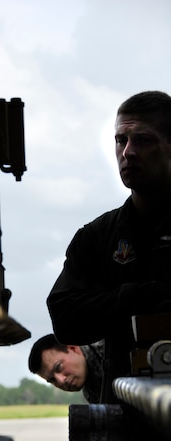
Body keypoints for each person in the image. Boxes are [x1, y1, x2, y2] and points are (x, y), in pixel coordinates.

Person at [47, 90, 171, 403]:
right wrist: (138, 296)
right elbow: (65, 318)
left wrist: (107, 303)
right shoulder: (97, 236)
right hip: (125, 418)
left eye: (143, 140)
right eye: (121, 140)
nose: (128, 152)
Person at [28, 334, 104, 403]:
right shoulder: (92, 393)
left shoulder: (109, 348)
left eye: (59, 367)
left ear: (73, 348)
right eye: (52, 380)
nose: (61, 381)